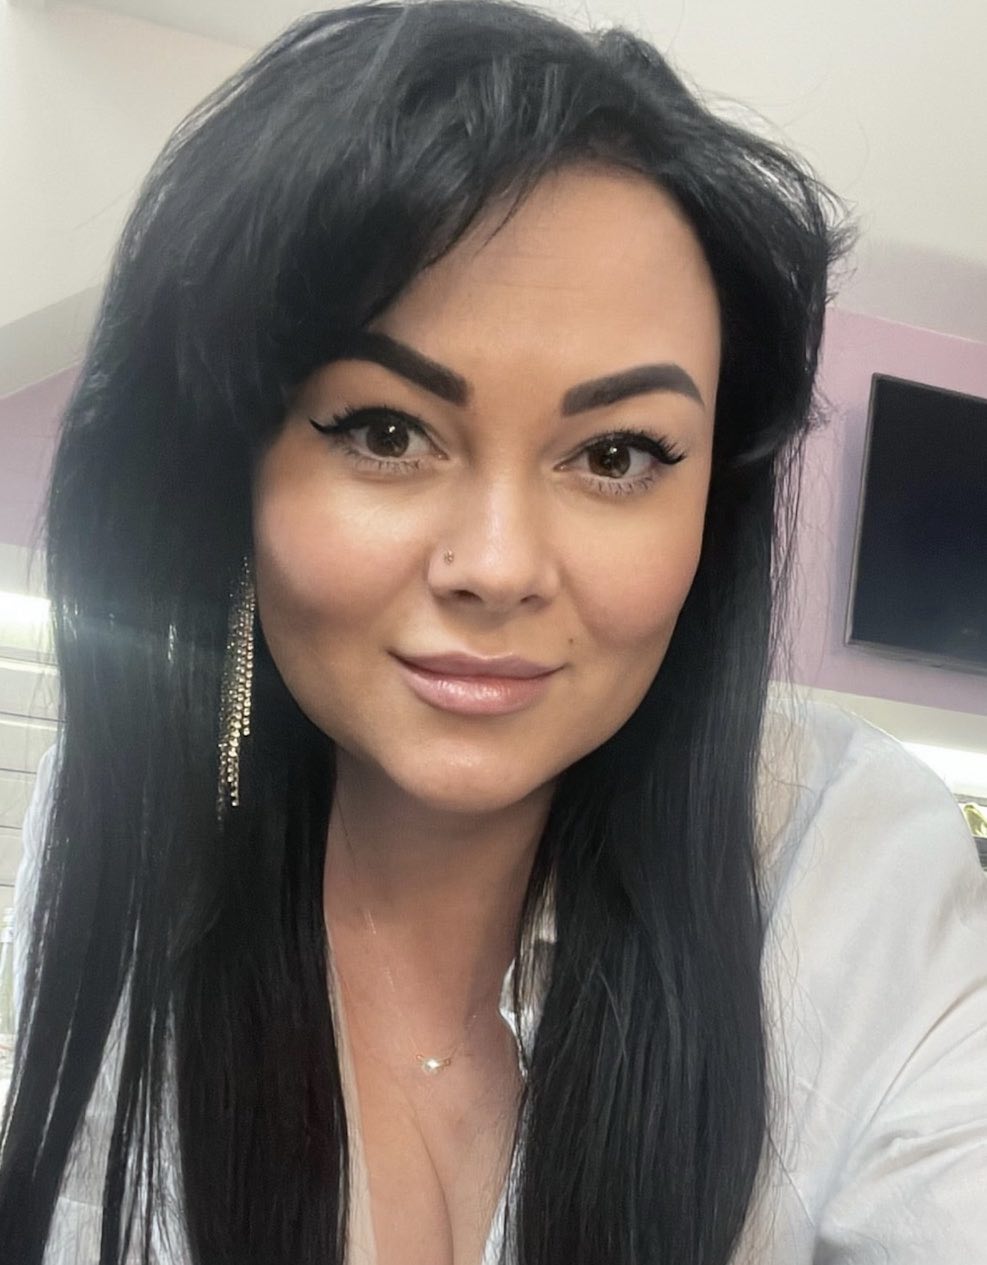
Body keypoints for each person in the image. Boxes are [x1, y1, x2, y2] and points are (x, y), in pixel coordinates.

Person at [1, 2, 985, 1262]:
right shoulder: (127, 806)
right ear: (230, 472)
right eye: (385, 431)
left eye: (616, 454)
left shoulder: (846, 866)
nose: (501, 566)